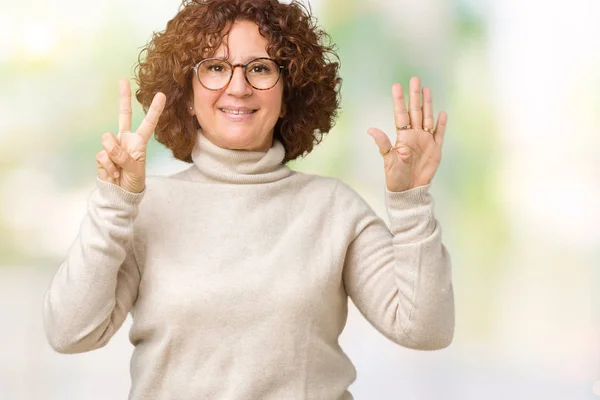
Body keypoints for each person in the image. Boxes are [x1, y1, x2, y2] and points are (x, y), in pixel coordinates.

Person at [43, 0, 455, 399]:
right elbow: (70, 333)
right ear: (187, 94)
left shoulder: (334, 209)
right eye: (215, 68)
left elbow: (425, 330)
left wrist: (410, 202)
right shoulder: (143, 207)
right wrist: (115, 204)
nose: (237, 87)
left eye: (259, 68)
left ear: (288, 91)